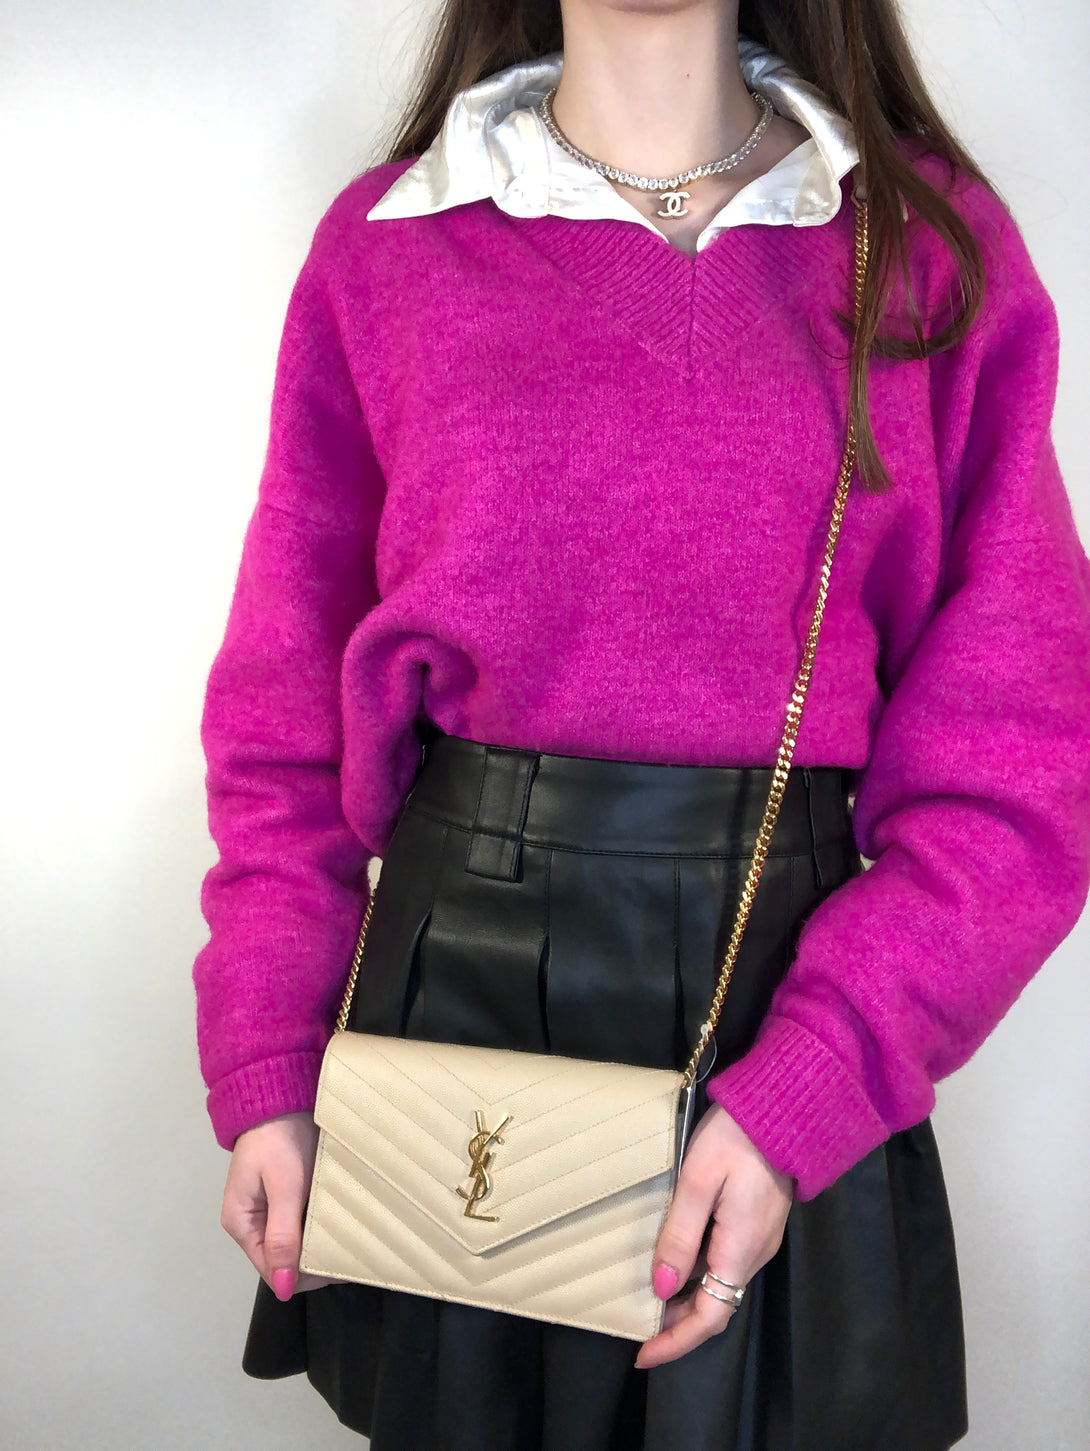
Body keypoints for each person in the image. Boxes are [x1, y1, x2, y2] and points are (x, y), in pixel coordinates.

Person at [193, 1, 1090, 1447]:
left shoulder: (925, 247)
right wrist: (266, 1045)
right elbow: (283, 720)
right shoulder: (388, 245)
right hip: (451, 1014)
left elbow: (1020, 764)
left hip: (786, 1010)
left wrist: (812, 1084)